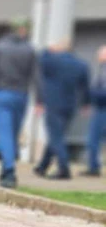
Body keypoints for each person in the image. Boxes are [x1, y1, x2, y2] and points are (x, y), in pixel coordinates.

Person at [0, 18, 36, 188]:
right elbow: (35, 75)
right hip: (21, 95)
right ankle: (9, 162)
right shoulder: (30, 50)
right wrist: (40, 99)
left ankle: (9, 171)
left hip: (1, 93)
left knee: (5, 133)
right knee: (13, 134)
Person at [34, 40, 89, 180]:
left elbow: (41, 59)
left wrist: (49, 49)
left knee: (56, 137)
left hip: (54, 104)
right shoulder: (81, 65)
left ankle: (64, 169)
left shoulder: (52, 62)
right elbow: (85, 87)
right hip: (70, 106)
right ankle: (43, 166)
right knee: (56, 136)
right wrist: (85, 104)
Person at [82, 45, 106, 177]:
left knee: (93, 139)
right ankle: (93, 166)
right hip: (100, 107)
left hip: (103, 108)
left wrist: (91, 93)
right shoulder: (101, 68)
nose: (98, 57)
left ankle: (94, 167)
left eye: (100, 54)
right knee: (94, 139)